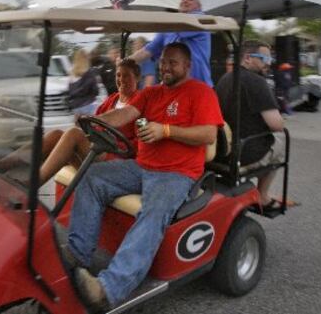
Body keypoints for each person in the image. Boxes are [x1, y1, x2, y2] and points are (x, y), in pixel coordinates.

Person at [66, 42, 223, 310]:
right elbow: (125, 113)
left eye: (172, 62)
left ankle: (108, 287)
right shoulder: (151, 93)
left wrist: (167, 131)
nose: (165, 67)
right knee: (92, 177)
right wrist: (95, 122)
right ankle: (77, 254)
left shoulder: (201, 93)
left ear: (188, 66)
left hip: (177, 174)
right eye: (163, 61)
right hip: (142, 167)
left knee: (153, 212)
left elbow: (208, 134)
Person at [0, 59, 142, 184]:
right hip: (98, 148)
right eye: (118, 75)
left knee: (73, 134)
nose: (121, 80)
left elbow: (139, 146)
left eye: (126, 76)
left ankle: (35, 183)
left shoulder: (142, 105)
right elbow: (97, 122)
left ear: (137, 78)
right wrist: (85, 124)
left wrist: (114, 143)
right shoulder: (112, 100)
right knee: (56, 134)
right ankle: (5, 164)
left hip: (117, 160)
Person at [215, 41, 285, 212]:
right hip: (243, 152)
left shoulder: (225, 78)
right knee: (280, 146)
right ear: (247, 58)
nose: (268, 62)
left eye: (270, 58)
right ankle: (263, 196)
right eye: (264, 58)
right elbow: (276, 124)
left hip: (220, 150)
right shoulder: (257, 82)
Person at [126, 0, 213, 86]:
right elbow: (147, 51)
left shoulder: (200, 19)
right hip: (176, 86)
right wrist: (126, 62)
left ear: (199, 6)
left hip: (199, 86)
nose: (185, 1)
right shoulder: (169, 28)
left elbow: (181, 25)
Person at [68, 49, 99, 115]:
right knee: (94, 124)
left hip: (76, 106)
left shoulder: (72, 72)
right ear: (87, 58)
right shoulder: (90, 71)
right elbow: (95, 90)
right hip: (89, 104)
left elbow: (70, 91)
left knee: (80, 125)